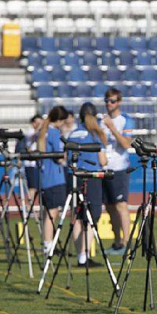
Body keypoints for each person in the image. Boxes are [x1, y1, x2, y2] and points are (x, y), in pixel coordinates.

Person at [66, 103, 107, 267]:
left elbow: (66, 158)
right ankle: (85, 255)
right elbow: (103, 160)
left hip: (74, 176)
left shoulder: (73, 134)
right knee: (91, 217)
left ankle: (80, 256)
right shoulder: (96, 134)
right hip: (91, 177)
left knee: (76, 217)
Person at [99, 87, 135, 255]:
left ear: (119, 102)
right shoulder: (101, 121)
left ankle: (127, 242)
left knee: (121, 205)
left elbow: (126, 144)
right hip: (105, 168)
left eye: (112, 101)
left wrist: (112, 128)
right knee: (110, 207)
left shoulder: (125, 120)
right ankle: (117, 242)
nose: (109, 104)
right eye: (107, 100)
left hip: (120, 168)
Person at [37, 106, 69, 255]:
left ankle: (48, 243)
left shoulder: (44, 131)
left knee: (48, 213)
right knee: (53, 213)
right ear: (60, 120)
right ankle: (48, 245)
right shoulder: (54, 132)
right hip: (55, 177)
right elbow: (58, 155)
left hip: (45, 176)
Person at [16, 114, 42, 204]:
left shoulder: (41, 132)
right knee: (32, 186)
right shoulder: (29, 132)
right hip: (30, 164)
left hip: (39, 163)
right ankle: (28, 206)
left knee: (40, 187)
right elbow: (31, 139)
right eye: (37, 122)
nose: (39, 124)